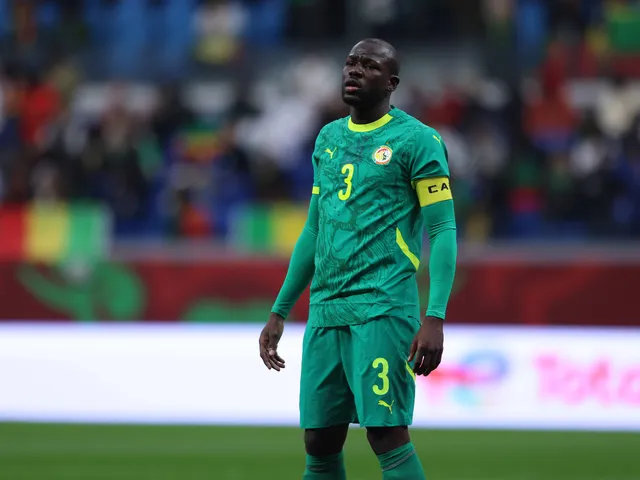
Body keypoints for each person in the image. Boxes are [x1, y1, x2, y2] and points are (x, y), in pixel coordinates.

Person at [259, 38, 457, 480]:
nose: (354, 70)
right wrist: (279, 310)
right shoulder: (328, 138)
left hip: (382, 306)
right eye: (350, 63)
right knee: (319, 441)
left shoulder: (418, 141)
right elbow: (314, 230)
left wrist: (435, 316)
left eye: (369, 66)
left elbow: (443, 230)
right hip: (327, 309)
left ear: (392, 83)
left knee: (386, 434)